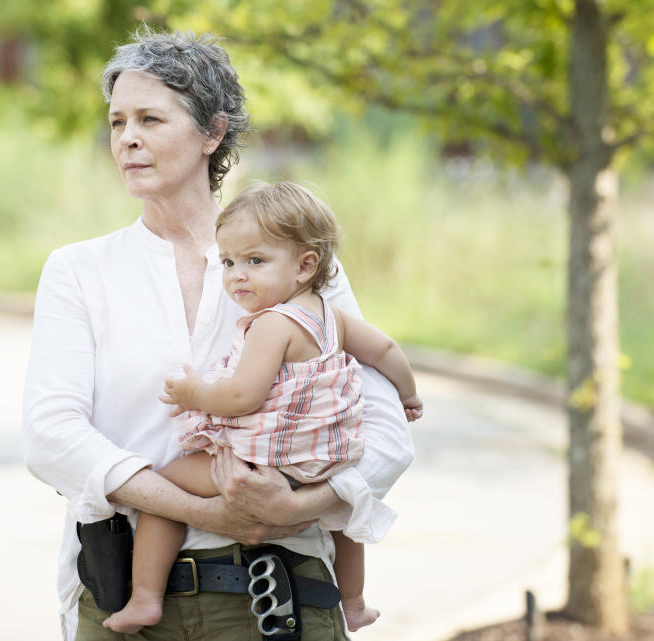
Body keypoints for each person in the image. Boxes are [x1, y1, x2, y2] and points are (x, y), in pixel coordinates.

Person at [22, 28, 414, 641]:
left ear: (212, 133)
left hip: (275, 599)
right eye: (117, 120)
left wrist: (295, 508)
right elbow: (52, 437)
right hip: (121, 602)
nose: (127, 138)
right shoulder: (78, 271)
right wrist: (207, 511)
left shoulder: (292, 268)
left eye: (151, 119)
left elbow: (387, 434)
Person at [101, 181, 424, 636]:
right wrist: (408, 394)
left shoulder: (272, 325)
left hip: (265, 460)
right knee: (345, 514)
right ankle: (353, 602)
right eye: (229, 262)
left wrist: (194, 394)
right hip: (325, 458)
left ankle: (145, 599)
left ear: (305, 265)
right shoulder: (332, 317)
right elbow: (386, 350)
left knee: (164, 492)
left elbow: (241, 397)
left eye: (256, 261)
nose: (237, 275)